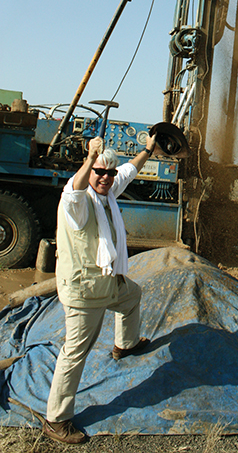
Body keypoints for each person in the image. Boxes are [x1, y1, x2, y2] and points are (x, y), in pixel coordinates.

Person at [44, 133, 157, 444]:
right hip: (85, 292)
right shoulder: (78, 202)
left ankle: (126, 343)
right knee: (75, 354)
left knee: (133, 295)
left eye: (109, 172)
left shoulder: (106, 192)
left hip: (108, 282)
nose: (106, 177)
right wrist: (89, 159)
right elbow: (74, 191)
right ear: (89, 171)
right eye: (100, 172)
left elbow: (127, 172)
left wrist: (148, 150)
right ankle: (56, 419)